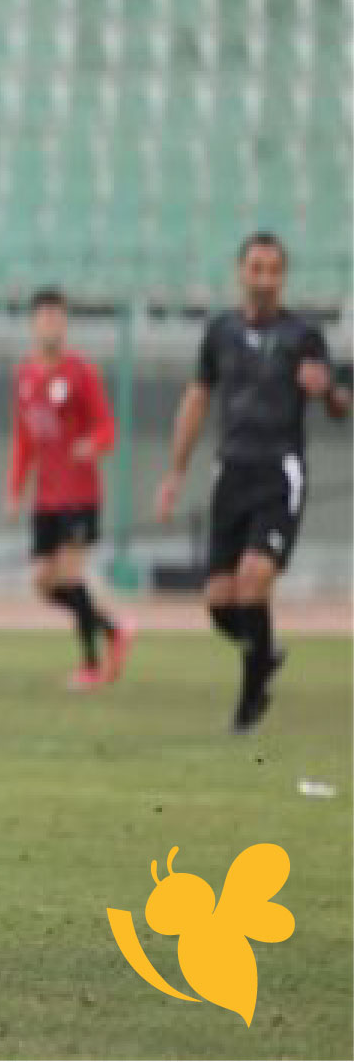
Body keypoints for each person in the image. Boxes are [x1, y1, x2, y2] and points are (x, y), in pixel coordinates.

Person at [155, 232, 350, 733]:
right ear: (241, 272)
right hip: (232, 472)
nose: (264, 278)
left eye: (273, 269)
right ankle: (263, 653)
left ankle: (248, 705)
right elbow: (197, 399)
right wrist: (175, 471)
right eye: (256, 267)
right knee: (221, 603)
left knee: (254, 578)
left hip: (278, 472)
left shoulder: (304, 335)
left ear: (283, 277)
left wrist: (327, 391)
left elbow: (337, 404)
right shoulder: (219, 332)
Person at [4, 286, 131, 689]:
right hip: (46, 497)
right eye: (43, 317)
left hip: (80, 495)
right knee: (44, 584)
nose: (50, 325)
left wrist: (93, 444)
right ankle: (114, 629)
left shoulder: (81, 372)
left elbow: (108, 427)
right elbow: (23, 439)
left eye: (57, 317)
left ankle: (91, 667)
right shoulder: (24, 375)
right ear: (33, 324)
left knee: (71, 576)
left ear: (65, 324)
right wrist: (14, 489)